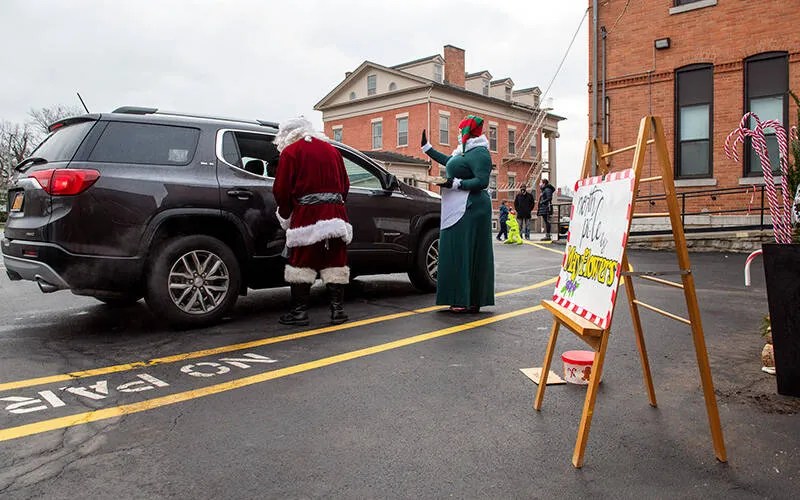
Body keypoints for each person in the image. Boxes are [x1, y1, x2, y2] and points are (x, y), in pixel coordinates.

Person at [273, 117, 352, 326]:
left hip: (307, 215)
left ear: (288, 135)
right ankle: (338, 311)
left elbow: (281, 190)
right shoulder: (332, 150)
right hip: (336, 215)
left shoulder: (291, 152)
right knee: (335, 260)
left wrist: (286, 213)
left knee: (301, 261)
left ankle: (299, 313)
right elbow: (345, 185)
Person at [421, 115, 494, 313]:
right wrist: (428, 149)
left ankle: (468, 298)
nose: (456, 133)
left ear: (467, 132)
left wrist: (457, 184)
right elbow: (451, 163)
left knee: (465, 251)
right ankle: (460, 296)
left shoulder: (480, 152)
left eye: (459, 129)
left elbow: (482, 181)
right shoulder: (464, 151)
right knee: (455, 251)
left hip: (471, 207)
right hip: (456, 206)